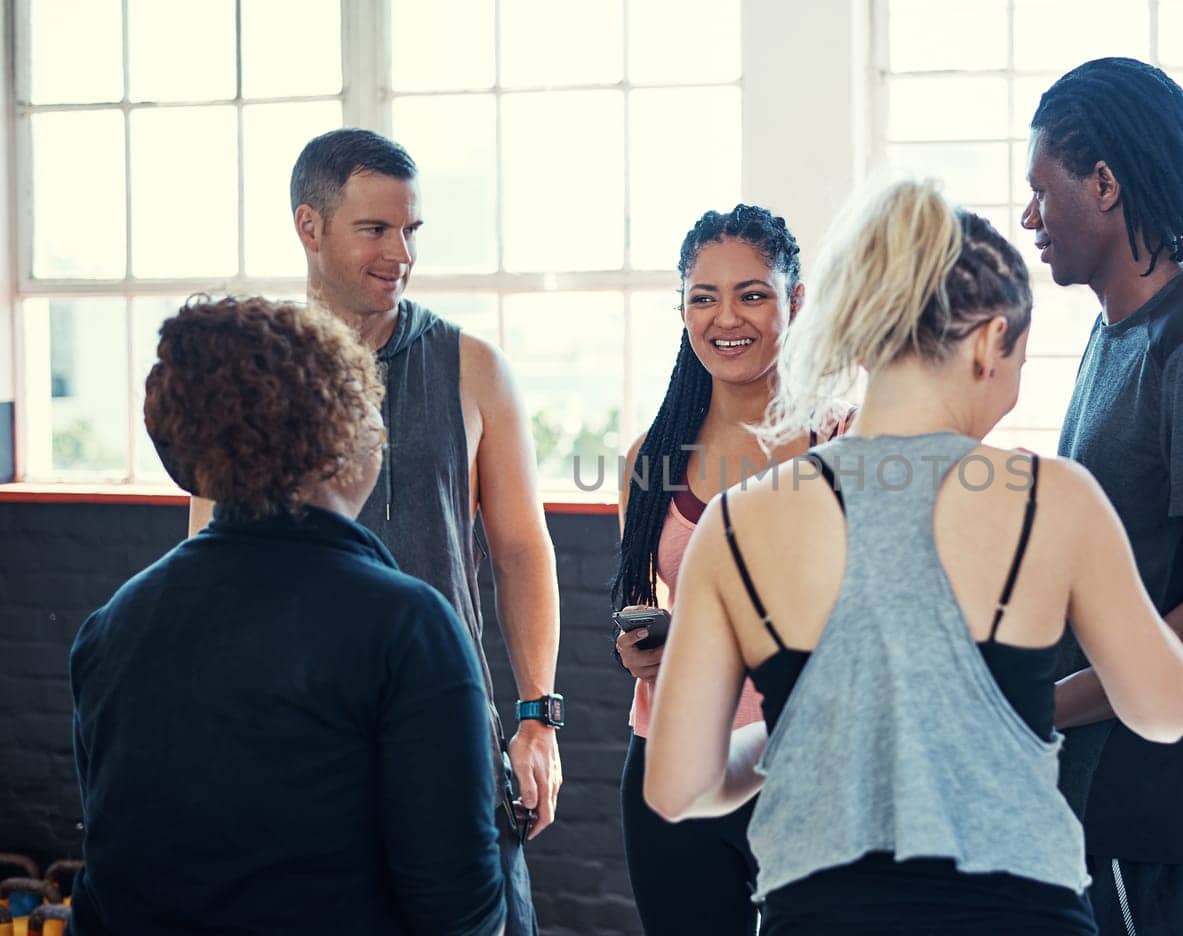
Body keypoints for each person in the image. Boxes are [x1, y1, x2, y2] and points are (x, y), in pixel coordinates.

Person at [642, 179, 1183, 935]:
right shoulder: (1052, 497)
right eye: (1020, 361)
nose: (1009, 389)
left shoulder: (738, 521)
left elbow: (678, 787)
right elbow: (1165, 711)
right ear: (990, 342)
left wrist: (792, 729)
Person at [186, 129, 560, 936]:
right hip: (290, 739)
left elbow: (522, 549)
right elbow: (202, 562)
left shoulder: (474, 367)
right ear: (309, 226)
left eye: (410, 231)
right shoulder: (255, 374)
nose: (401, 253)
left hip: (448, 734)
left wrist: (538, 717)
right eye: (375, 230)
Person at [71, 296, 505, 935]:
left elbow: (111, 877)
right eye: (369, 412)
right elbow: (460, 915)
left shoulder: (113, 626)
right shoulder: (407, 628)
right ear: (339, 439)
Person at [1020, 57, 1183, 935]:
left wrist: (1046, 706)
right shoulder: (1114, 337)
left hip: (1155, 836)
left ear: (1103, 184)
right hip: (1094, 813)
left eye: (1041, 190)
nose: (1029, 218)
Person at [610, 205, 847, 935]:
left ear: (795, 301)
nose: (725, 318)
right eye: (703, 297)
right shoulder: (651, 459)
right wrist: (642, 651)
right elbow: (657, 604)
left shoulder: (847, 438)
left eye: (752, 293)